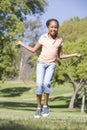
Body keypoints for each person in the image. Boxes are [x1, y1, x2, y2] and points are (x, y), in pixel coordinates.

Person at [16, 18, 80, 118]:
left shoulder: (59, 40)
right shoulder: (43, 38)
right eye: (52, 27)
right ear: (48, 27)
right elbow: (33, 50)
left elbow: (60, 56)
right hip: (41, 64)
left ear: (58, 28)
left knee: (46, 84)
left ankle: (45, 105)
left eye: (56, 27)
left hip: (51, 65)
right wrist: (21, 43)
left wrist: (74, 54)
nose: (54, 29)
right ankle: (38, 108)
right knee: (39, 85)